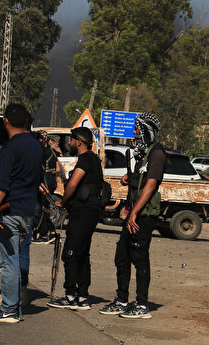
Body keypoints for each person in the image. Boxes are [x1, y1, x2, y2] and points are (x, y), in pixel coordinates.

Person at [99, 113, 165, 320]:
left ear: (146, 130)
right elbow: (142, 178)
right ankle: (122, 300)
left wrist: (134, 212)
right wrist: (131, 177)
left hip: (143, 214)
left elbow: (151, 184)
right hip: (134, 212)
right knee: (122, 256)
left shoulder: (157, 154)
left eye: (137, 128)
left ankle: (142, 304)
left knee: (139, 257)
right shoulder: (142, 153)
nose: (134, 132)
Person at [0, 103, 43, 323]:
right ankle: (15, 307)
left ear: (6, 121)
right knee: (16, 260)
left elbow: (2, 184)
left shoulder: (10, 148)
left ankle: (9, 309)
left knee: (8, 263)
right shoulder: (37, 147)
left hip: (10, 211)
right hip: (28, 211)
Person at [48, 127, 103, 310]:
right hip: (88, 212)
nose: (69, 143)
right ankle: (83, 297)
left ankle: (71, 295)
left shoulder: (86, 159)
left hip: (83, 212)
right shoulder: (93, 158)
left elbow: (72, 183)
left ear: (79, 142)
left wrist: (63, 202)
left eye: (71, 140)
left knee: (70, 254)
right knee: (82, 254)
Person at [33, 130, 64, 244]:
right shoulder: (52, 151)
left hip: (43, 181)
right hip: (52, 180)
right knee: (46, 206)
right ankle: (51, 231)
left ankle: (44, 233)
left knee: (42, 208)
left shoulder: (39, 151)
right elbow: (58, 169)